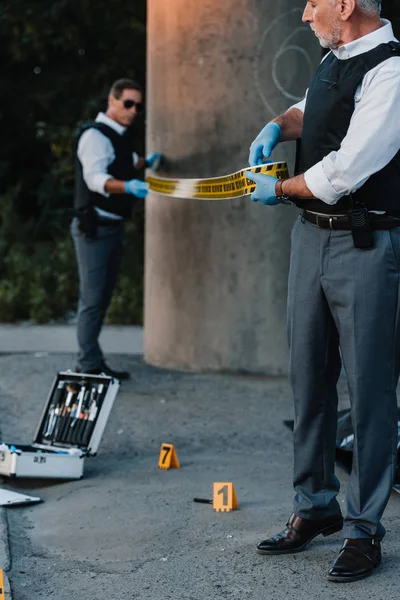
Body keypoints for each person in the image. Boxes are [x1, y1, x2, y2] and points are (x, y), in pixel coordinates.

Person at [246, 0, 400, 583]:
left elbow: (346, 169)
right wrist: (277, 126)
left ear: (346, 5)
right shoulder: (336, 56)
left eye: (314, 2)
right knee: (308, 379)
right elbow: (311, 111)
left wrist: (280, 188)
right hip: (309, 242)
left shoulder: (391, 71)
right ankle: (315, 508)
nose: (305, 14)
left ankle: (364, 531)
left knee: (370, 393)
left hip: (364, 246)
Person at [71, 78, 162, 380]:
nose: (134, 110)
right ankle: (87, 366)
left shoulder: (117, 136)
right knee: (93, 299)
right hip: (94, 228)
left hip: (112, 226)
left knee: (103, 296)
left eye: (138, 105)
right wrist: (128, 187)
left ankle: (93, 361)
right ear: (112, 101)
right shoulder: (95, 136)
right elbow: (95, 179)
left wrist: (146, 163)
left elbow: (127, 160)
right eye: (128, 104)